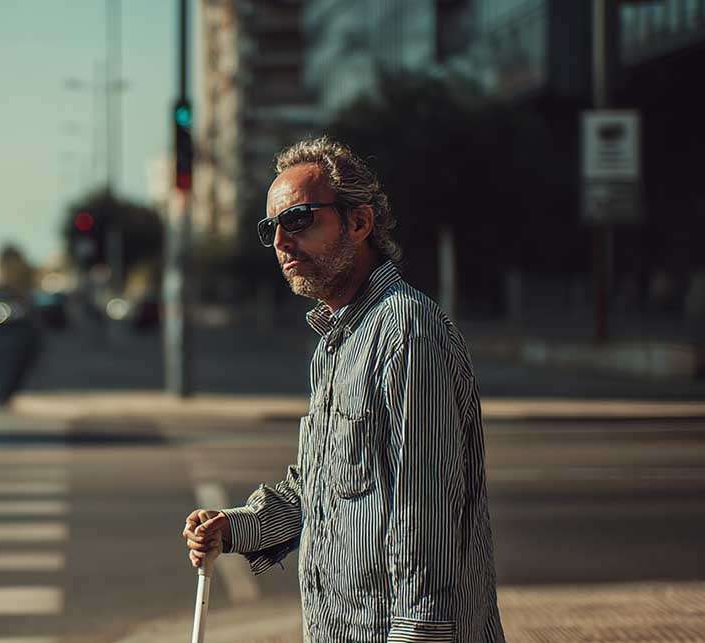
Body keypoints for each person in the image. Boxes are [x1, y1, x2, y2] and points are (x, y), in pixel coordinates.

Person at [182, 137, 506, 643]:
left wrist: (418, 636)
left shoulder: (406, 331)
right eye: (272, 228)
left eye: (300, 220)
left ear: (359, 223)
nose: (283, 242)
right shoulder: (335, 344)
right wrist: (234, 528)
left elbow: (427, 515)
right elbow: (318, 489)